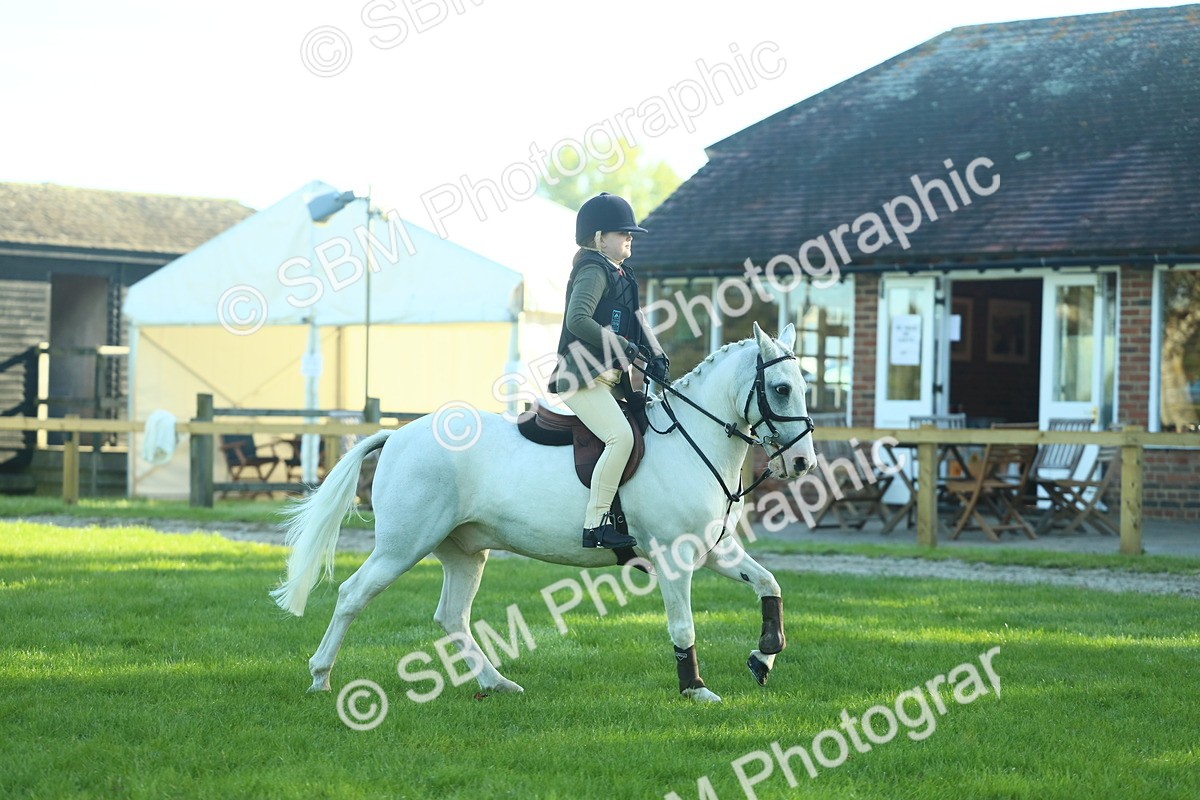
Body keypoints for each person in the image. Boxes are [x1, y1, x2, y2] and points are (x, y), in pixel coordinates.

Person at [547, 193, 670, 550]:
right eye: (622, 232)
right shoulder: (592, 269)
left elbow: (638, 321)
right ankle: (595, 524)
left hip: (609, 382)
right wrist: (621, 345)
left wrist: (657, 354)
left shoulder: (622, 275)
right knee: (622, 438)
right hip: (582, 378)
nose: (629, 237)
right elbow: (578, 319)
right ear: (600, 238)